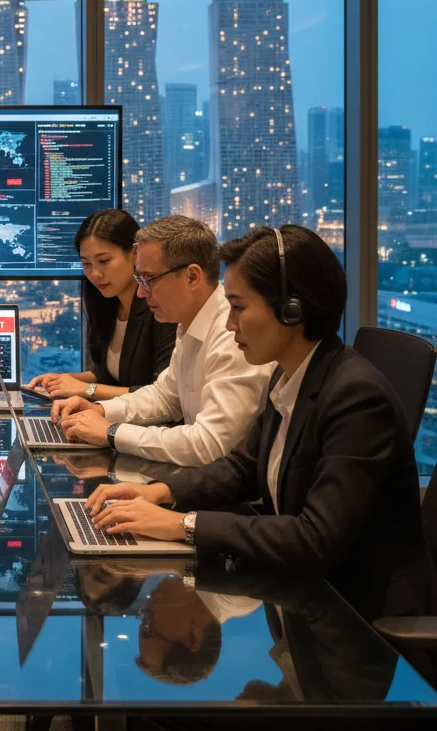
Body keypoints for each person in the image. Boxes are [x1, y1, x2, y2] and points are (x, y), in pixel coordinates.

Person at [86, 225, 435, 622]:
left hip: (361, 620)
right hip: (303, 597)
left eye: (238, 307)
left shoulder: (355, 398)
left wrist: (183, 524)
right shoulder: (290, 375)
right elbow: (243, 466)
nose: (229, 324)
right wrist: (161, 491)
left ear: (292, 310)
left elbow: (314, 537)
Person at [52, 214, 272, 466]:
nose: (142, 291)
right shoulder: (189, 323)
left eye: (149, 279)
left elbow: (210, 445)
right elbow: (164, 396)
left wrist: (111, 432)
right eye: (139, 279)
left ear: (192, 277)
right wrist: (101, 410)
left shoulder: (231, 336)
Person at [27, 209, 177, 401]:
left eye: (103, 261)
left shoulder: (160, 307)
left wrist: (86, 389)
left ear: (134, 253)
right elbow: (107, 375)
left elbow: (162, 396)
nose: (95, 273)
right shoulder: (106, 302)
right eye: (86, 264)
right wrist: (64, 381)